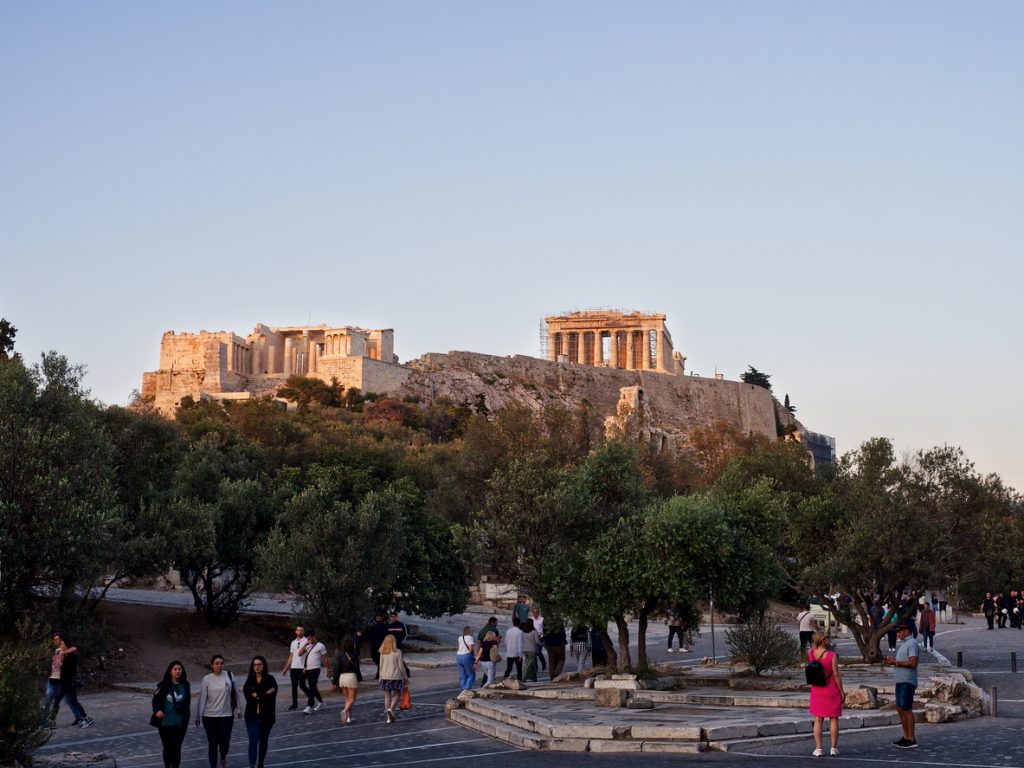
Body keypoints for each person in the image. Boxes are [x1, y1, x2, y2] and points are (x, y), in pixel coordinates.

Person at [41, 632, 93, 728]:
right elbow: (58, 665)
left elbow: (74, 649)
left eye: (59, 641)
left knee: (65, 701)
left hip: (65, 682)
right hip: (60, 681)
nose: (56, 642)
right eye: (55, 640)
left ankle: (83, 719)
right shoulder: (59, 651)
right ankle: (84, 718)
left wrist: (63, 653)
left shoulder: (69, 654)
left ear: (63, 642)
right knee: (70, 701)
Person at [195, 654, 239, 768]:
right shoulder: (207, 679)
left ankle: (223, 758)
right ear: (212, 665)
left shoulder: (229, 675)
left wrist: (238, 710)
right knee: (213, 744)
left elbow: (236, 693)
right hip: (209, 716)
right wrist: (197, 716)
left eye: (221, 663)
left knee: (225, 742)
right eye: (216, 663)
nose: (219, 665)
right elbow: (202, 698)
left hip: (226, 715)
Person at [808, 632, 844, 757]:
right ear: (822, 640)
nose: (828, 639)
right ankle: (833, 748)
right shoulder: (831, 655)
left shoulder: (811, 653)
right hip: (831, 689)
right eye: (826, 638)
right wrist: (841, 691)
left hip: (817, 689)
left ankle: (818, 749)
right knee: (833, 718)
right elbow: (836, 674)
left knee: (818, 719)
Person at [885, 623, 920, 748]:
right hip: (900, 681)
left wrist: (897, 663)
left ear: (907, 631)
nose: (898, 634)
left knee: (906, 709)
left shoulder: (912, 643)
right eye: (897, 632)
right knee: (900, 709)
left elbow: (913, 662)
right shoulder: (905, 644)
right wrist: (893, 662)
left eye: (900, 632)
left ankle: (911, 738)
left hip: (907, 681)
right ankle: (905, 736)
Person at [151, 660, 190, 768]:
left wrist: (186, 720)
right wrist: (157, 710)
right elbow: (155, 700)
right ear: (170, 671)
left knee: (177, 748)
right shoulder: (163, 685)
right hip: (165, 723)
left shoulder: (185, 685)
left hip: (179, 724)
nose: (178, 671)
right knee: (168, 748)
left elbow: (187, 705)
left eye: (179, 669)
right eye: (175, 669)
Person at [242, 656, 277, 768]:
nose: (257, 667)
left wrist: (257, 695)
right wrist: (265, 694)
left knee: (263, 741)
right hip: (252, 716)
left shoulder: (270, 679)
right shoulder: (249, 682)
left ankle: (260, 763)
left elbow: (271, 696)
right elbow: (249, 698)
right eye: (255, 664)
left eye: (259, 664)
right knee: (254, 739)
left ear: (264, 665)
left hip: (267, 715)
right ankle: (252, 764)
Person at [330, 636, 363, 724]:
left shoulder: (340, 656)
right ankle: (344, 711)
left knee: (347, 699)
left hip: (342, 678)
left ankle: (349, 717)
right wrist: (360, 678)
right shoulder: (355, 656)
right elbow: (357, 669)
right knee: (352, 699)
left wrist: (334, 682)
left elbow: (337, 670)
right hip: (351, 677)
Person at [377, 635, 408, 723]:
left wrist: (380, 677)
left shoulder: (383, 652)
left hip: (384, 677)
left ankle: (388, 717)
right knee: (397, 694)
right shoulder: (398, 652)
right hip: (396, 677)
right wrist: (405, 677)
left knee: (387, 696)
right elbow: (401, 666)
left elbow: (381, 665)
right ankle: (391, 709)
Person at [301, 630, 331, 714]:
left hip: (316, 669)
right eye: (307, 639)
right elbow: (300, 653)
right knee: (312, 687)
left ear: (314, 637)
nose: (308, 640)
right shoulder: (307, 645)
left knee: (312, 686)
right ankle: (321, 702)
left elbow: (325, 658)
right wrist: (306, 644)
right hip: (307, 669)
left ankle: (309, 706)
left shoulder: (321, 646)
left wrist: (329, 669)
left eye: (309, 638)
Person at [280, 625, 309, 710]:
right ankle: (294, 704)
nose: (300, 632)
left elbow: (308, 655)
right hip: (294, 668)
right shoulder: (293, 642)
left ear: (304, 631)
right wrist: (286, 668)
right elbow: (291, 656)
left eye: (302, 630)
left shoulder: (307, 641)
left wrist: (306, 666)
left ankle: (311, 698)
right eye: (298, 630)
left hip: (302, 667)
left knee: (302, 685)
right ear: (296, 631)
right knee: (294, 686)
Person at [361, 614, 389, 679]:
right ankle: (380, 672)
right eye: (377, 618)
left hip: (380, 644)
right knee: (374, 656)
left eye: (379, 618)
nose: (377, 619)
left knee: (380, 659)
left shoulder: (383, 625)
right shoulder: (373, 625)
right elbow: (369, 633)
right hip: (374, 644)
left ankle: (379, 674)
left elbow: (385, 634)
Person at [503, 615, 524, 680]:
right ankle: (520, 681)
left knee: (509, 668)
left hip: (509, 652)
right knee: (519, 669)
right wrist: (520, 655)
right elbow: (520, 644)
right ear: (519, 623)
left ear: (513, 622)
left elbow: (506, 641)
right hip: (517, 653)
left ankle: (504, 679)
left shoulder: (508, 631)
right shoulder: (520, 632)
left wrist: (507, 650)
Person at [531, 607, 547, 671]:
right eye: (534, 612)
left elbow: (544, 628)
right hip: (532, 638)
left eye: (536, 612)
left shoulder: (542, 619)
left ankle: (543, 663)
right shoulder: (530, 619)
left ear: (538, 612)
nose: (535, 613)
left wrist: (543, 635)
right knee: (534, 653)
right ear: (532, 613)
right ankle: (536, 667)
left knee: (539, 652)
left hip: (540, 637)